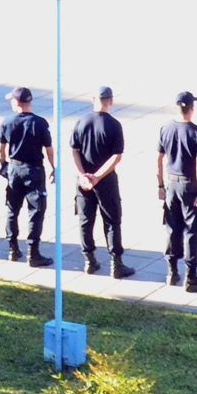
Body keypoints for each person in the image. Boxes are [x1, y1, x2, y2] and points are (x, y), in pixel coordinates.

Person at [70, 87, 132, 278]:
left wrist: (83, 175)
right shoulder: (114, 125)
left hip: (84, 181)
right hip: (105, 181)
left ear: (93, 100)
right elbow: (116, 156)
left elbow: (75, 150)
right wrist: (98, 176)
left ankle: (89, 260)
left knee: (85, 221)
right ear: (111, 101)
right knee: (112, 221)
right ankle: (117, 264)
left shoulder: (81, 121)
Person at [156, 91, 197, 293]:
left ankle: (172, 272)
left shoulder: (166, 129)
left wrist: (160, 186)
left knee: (172, 227)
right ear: (192, 108)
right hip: (189, 185)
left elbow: (158, 159)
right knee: (193, 230)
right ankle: (191, 277)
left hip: (171, 183)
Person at [0, 87, 52, 266]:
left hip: (14, 168)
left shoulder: (7, 122)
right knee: (36, 211)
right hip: (34, 170)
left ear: (17, 103)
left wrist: (4, 165)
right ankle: (33, 252)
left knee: (13, 209)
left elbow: (1, 149)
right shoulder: (40, 123)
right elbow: (49, 150)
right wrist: (54, 168)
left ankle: (13, 249)